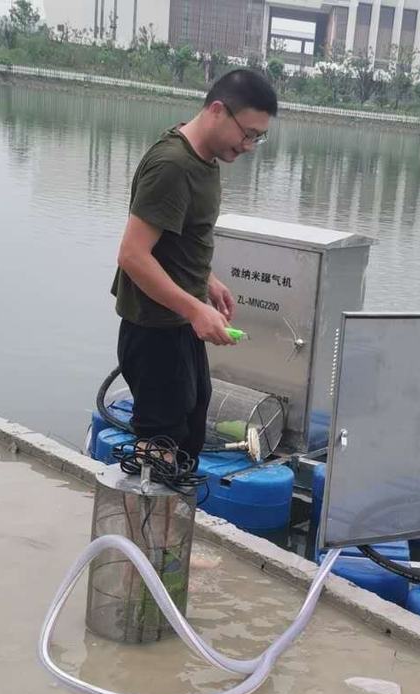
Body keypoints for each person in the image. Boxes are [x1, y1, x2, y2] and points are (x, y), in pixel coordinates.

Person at [112, 69, 278, 461]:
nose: (249, 146)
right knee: (160, 448)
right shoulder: (172, 166)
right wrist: (194, 309)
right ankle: (151, 504)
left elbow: (176, 241)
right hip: (155, 331)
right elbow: (133, 255)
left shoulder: (203, 160)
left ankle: (174, 501)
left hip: (179, 324)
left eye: (258, 138)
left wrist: (207, 280)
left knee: (189, 432)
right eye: (247, 133)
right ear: (218, 110)